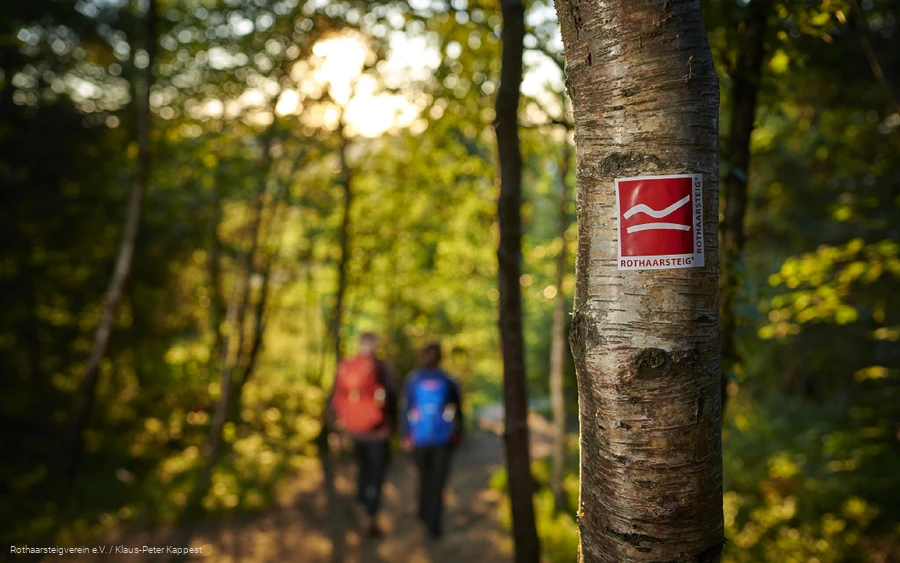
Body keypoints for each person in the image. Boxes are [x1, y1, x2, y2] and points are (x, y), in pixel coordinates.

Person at [328, 332, 397, 536]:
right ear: (375, 345)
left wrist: (336, 431)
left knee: (362, 471)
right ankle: (370, 513)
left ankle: (361, 505)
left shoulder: (346, 367)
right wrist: (394, 428)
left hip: (354, 431)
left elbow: (334, 398)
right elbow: (393, 398)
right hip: (378, 433)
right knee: (376, 475)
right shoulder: (383, 368)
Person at [401, 342, 463, 539]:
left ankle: (423, 513)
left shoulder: (413, 379)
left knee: (423, 477)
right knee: (438, 481)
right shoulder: (448, 379)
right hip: (442, 440)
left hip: (419, 439)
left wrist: (405, 435)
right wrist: (458, 434)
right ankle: (433, 523)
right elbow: (458, 411)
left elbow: (405, 408)